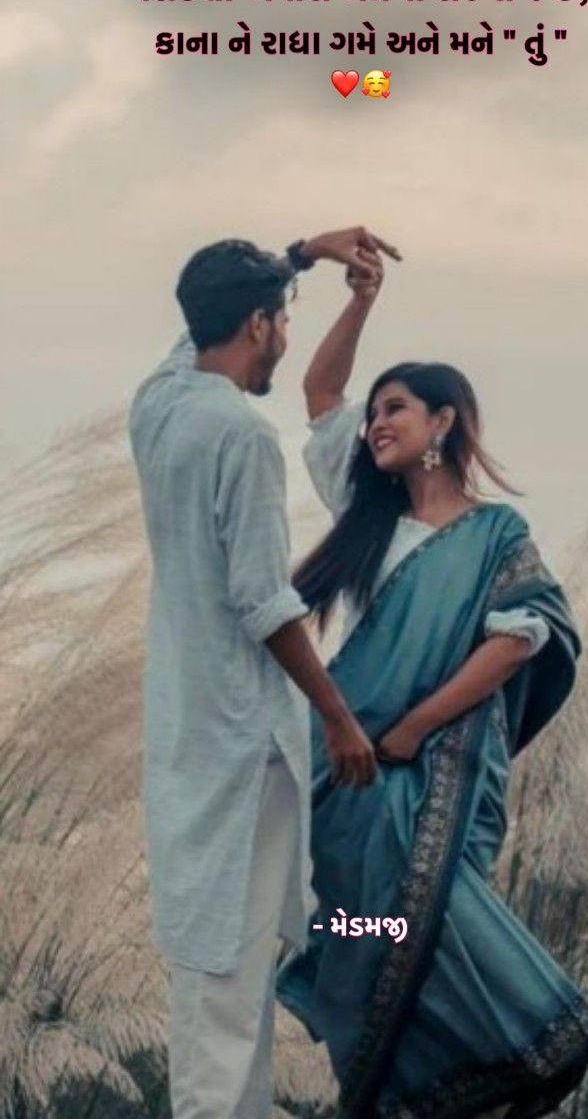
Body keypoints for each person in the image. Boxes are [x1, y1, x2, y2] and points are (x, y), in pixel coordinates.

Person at [277, 261, 588, 1118]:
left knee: (443, 915)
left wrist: (413, 729)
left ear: (442, 423)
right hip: (347, 775)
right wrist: (361, 299)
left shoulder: (495, 532)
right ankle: (419, 1093)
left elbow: (516, 644)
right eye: (374, 410)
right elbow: (319, 388)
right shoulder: (369, 515)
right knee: (364, 931)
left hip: (431, 773)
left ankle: (530, 1048)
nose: (374, 423)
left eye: (394, 408)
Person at [129, 227, 399, 1119]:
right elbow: (263, 601)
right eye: (282, 321)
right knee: (226, 1003)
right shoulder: (239, 436)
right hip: (243, 753)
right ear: (256, 324)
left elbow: (192, 328)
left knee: (219, 989)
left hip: (190, 743)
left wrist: (299, 257)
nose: (284, 338)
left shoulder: (158, 404)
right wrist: (336, 715)